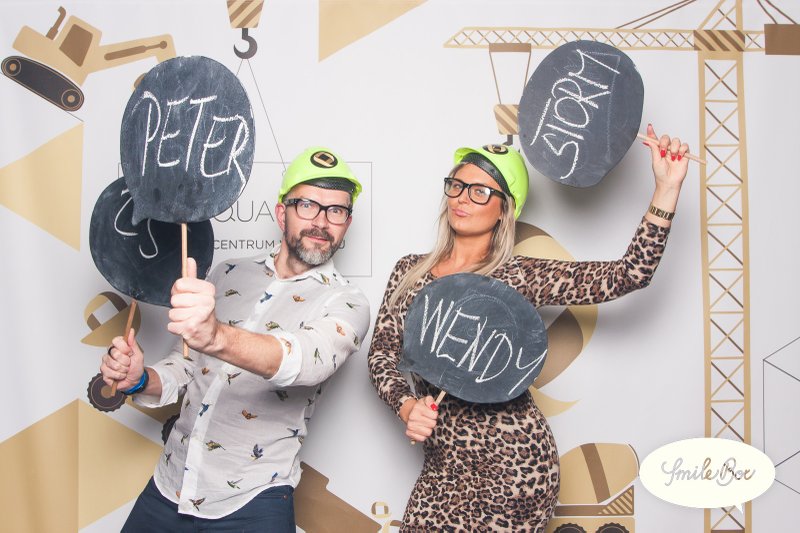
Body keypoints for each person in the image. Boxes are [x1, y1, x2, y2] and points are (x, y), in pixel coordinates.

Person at [367, 124, 690, 531]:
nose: (463, 198)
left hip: (515, 467)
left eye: (481, 191)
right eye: (458, 186)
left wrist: (666, 190)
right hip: (444, 466)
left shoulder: (518, 276)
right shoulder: (410, 272)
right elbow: (381, 354)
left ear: (506, 209)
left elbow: (628, 275)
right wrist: (407, 405)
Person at [101, 147, 370, 532]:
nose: (321, 222)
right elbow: (187, 367)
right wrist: (141, 379)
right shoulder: (227, 273)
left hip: (253, 501)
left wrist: (215, 336)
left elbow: (304, 361)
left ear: (347, 223)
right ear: (282, 213)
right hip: (170, 484)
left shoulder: (347, 302)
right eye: (308, 205)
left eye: (336, 211)